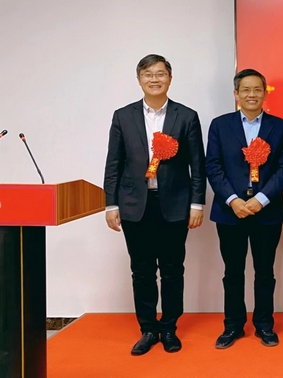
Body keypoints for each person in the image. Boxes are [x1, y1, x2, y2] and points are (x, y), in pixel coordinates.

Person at [103, 54, 206, 355]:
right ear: (139, 79)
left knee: (173, 270)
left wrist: (197, 203)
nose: (154, 79)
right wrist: (111, 205)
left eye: (160, 73)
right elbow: (114, 163)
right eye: (148, 74)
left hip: (175, 204)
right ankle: (148, 328)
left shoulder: (186, 116)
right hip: (135, 205)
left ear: (170, 78)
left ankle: (170, 327)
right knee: (142, 270)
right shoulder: (123, 116)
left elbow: (197, 165)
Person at [206, 69, 283, 349]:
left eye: (257, 89)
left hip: (267, 212)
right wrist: (233, 199)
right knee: (233, 272)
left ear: (265, 94)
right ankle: (233, 325)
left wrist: (262, 199)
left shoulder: (281, 127)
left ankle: (264, 324)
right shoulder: (220, 125)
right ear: (236, 94)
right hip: (230, 212)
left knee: (265, 271)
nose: (251, 94)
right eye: (245, 89)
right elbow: (213, 166)